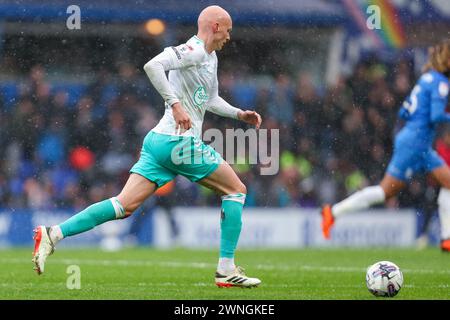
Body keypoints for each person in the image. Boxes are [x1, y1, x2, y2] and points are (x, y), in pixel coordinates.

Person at [32, 5, 263, 287]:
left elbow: (209, 99)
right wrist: (175, 104)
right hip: (179, 142)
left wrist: (239, 114)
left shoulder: (209, 57)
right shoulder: (194, 51)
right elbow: (152, 65)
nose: (229, 35)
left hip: (157, 142)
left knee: (123, 205)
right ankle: (226, 269)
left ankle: (52, 234)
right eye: (227, 29)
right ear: (215, 26)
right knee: (236, 190)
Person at [321, 39, 450, 252]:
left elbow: (405, 113)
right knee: (389, 191)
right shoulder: (441, 83)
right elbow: (436, 115)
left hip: (413, 139)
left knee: (385, 192)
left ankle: (332, 213)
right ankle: (447, 238)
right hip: (417, 142)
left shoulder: (427, 78)